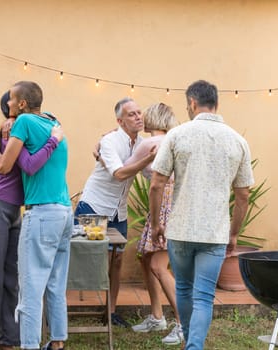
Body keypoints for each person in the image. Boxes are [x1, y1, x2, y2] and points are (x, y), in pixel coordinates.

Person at [149, 80, 254, 350]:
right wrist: (233, 233)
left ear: (193, 103)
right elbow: (243, 195)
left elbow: (156, 184)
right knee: (204, 296)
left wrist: (155, 225)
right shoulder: (238, 141)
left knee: (183, 288)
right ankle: (193, 346)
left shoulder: (177, 135)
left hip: (180, 230)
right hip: (214, 233)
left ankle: (189, 340)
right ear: (216, 103)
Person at [0, 91, 63, 350]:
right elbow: (4, 166)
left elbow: (27, 163)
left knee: (12, 278)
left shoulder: (36, 125)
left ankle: (8, 338)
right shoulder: (12, 126)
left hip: (14, 211)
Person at [0, 81, 73, 350]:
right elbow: (29, 163)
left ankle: (29, 345)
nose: (8, 104)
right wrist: (11, 137)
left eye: (11, 100)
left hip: (41, 213)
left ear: (23, 104)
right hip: (64, 212)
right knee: (55, 283)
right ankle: (58, 341)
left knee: (29, 289)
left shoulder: (25, 121)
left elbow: (5, 166)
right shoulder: (53, 121)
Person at [76, 97, 156, 327]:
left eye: (140, 112)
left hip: (118, 212)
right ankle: (58, 308)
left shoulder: (142, 143)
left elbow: (151, 174)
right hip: (94, 207)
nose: (139, 117)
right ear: (120, 121)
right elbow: (119, 174)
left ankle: (110, 312)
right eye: (132, 114)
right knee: (84, 259)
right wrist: (148, 158)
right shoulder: (109, 141)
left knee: (117, 259)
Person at [126, 103, 183, 345]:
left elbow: (122, 168)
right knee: (147, 258)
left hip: (161, 204)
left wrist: (102, 145)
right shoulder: (175, 140)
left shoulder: (149, 144)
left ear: (153, 119)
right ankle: (157, 316)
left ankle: (184, 324)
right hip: (174, 203)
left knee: (159, 265)